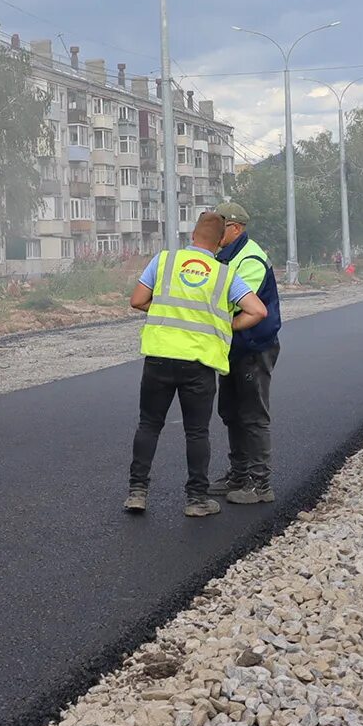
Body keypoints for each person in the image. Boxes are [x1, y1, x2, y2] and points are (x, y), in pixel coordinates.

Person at [124, 211, 268, 518]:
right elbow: (258, 311)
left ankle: (137, 492)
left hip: (159, 357)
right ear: (218, 244)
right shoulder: (224, 273)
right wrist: (227, 323)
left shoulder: (164, 261)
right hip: (198, 364)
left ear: (192, 237)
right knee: (196, 432)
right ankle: (197, 500)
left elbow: (137, 300)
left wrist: (166, 309)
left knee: (149, 424)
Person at [212, 200, 281, 504]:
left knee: (253, 415)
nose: (213, 230)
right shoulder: (225, 255)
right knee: (231, 411)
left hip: (253, 347)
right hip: (232, 346)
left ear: (235, 228)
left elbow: (240, 302)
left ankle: (260, 484)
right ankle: (238, 474)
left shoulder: (250, 258)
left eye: (219, 225)